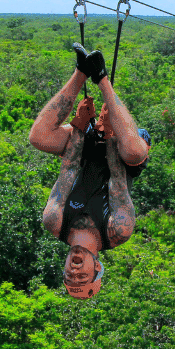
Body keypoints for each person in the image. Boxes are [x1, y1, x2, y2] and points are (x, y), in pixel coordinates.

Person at [28, 44, 150, 299]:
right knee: (135, 153)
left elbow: (68, 168)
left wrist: (80, 127)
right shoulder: (118, 231)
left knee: (38, 138)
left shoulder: (54, 221)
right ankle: (102, 77)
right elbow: (118, 181)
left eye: (70, 275)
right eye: (82, 275)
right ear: (97, 267)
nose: (74, 270)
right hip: (121, 153)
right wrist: (109, 133)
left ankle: (82, 71)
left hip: (82, 149)